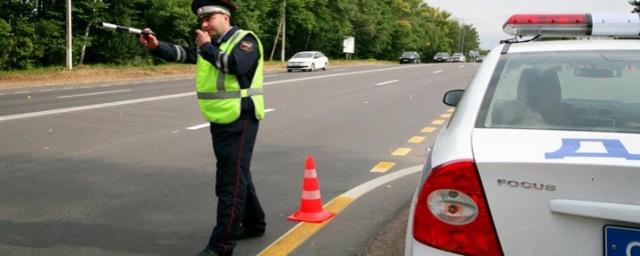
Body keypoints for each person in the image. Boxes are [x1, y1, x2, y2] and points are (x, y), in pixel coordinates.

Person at [138, 1, 266, 255]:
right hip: (220, 120)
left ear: (226, 17)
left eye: (209, 18)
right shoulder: (213, 46)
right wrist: (156, 46)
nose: (204, 24)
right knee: (238, 174)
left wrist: (205, 46)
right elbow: (184, 54)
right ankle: (254, 224)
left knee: (230, 183)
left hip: (239, 119)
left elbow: (234, 66)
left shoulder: (245, 40)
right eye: (201, 21)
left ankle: (221, 247)